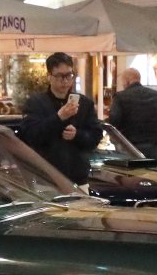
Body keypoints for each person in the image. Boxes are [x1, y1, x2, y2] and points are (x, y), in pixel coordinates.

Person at [19, 51, 102, 186]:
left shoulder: (85, 104)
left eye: (69, 75)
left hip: (78, 180)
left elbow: (95, 137)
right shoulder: (35, 103)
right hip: (46, 181)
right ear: (49, 77)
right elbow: (31, 136)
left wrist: (77, 135)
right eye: (59, 76)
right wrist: (59, 118)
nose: (65, 81)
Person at [108, 68, 157, 160]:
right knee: (154, 169)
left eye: (122, 83)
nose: (123, 85)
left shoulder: (120, 97)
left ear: (127, 81)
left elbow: (113, 122)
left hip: (129, 149)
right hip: (155, 149)